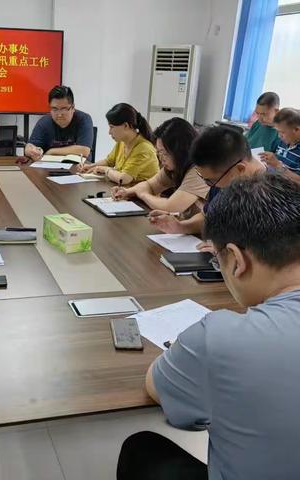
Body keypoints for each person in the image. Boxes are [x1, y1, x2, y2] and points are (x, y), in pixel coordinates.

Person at [117, 173, 300, 479]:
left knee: (141, 449)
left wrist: (188, 349)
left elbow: (156, 385)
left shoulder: (220, 337)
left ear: (237, 260)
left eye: (217, 259)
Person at [150, 126, 265, 235]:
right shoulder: (223, 178)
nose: (208, 185)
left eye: (210, 181)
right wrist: (180, 227)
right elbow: (208, 217)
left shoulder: (272, 196)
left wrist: (225, 246)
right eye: (203, 178)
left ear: (240, 169)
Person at [111, 117, 208, 212]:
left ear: (181, 151)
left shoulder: (199, 171)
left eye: (164, 153)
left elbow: (171, 206)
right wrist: (128, 192)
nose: (161, 159)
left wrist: (144, 195)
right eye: (159, 153)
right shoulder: (175, 167)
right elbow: (150, 185)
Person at [78, 103, 159, 185]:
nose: (109, 132)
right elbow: (109, 161)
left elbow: (123, 179)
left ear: (126, 126)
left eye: (112, 127)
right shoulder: (122, 142)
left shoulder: (143, 148)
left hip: (143, 195)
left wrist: (105, 170)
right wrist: (91, 166)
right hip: (126, 191)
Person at [25, 86, 93, 161]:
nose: (59, 114)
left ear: (73, 107)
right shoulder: (44, 122)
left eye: (63, 109)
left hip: (79, 168)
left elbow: (84, 150)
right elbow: (29, 147)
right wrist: (31, 151)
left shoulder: (84, 119)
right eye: (55, 109)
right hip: (49, 168)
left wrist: (52, 151)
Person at [260, 107, 300, 183]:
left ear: (297, 130)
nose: (279, 136)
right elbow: (278, 169)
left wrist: (277, 165)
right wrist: (269, 163)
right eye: (277, 131)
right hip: (275, 182)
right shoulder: (284, 141)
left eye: (282, 132)